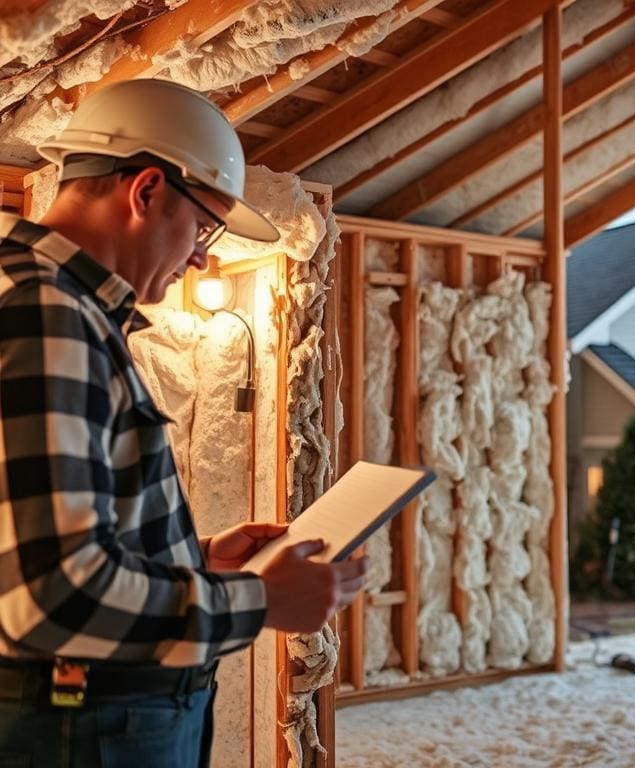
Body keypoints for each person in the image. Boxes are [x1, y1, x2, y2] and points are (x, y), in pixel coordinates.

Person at [0, 79, 366, 767]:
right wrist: (256, 598)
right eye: (203, 227)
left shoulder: (54, 308)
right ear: (144, 192)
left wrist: (189, 557)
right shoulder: (47, 317)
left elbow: (37, 544)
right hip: (85, 726)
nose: (203, 255)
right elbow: (52, 600)